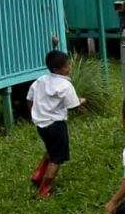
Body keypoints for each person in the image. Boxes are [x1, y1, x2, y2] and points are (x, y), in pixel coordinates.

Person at [27, 50, 85, 199]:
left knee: (50, 148)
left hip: (41, 125)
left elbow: (29, 98)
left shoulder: (40, 80)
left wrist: (34, 113)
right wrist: (81, 101)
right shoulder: (66, 85)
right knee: (57, 158)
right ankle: (45, 189)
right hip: (56, 125)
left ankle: (38, 174)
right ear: (57, 69)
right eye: (66, 66)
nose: (69, 67)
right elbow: (73, 106)